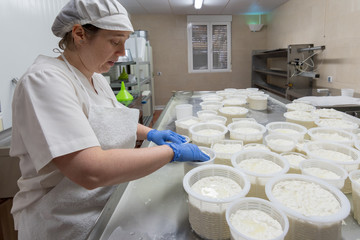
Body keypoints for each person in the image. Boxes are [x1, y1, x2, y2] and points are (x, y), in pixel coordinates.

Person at [9, 0, 209, 239]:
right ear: (80, 33)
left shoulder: (96, 77)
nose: (122, 52)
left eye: (124, 42)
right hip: (62, 221)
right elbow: (89, 170)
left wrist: (150, 134)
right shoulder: (44, 81)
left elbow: (108, 121)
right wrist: (170, 153)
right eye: (115, 41)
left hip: (103, 203)